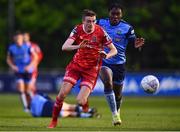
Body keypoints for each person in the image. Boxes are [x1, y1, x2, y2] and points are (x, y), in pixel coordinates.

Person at [48, 9, 117, 128]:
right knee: (62, 95)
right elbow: (64, 47)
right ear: (83, 21)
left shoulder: (100, 32)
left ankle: (85, 105)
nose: (91, 24)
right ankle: (53, 121)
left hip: (91, 70)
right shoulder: (77, 29)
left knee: (80, 101)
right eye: (89, 21)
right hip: (76, 66)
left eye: (93, 21)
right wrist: (78, 46)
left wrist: (107, 55)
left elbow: (114, 50)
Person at [97, 3, 145, 125]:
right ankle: (114, 115)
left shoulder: (127, 28)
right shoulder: (100, 23)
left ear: (121, 14)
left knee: (118, 94)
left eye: (118, 14)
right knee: (107, 82)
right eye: (113, 13)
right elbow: (90, 32)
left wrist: (136, 46)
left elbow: (134, 43)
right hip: (104, 60)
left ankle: (117, 111)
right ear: (109, 13)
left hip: (119, 64)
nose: (115, 16)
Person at [6, 31, 38, 112]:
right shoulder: (11, 48)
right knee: (21, 89)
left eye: (19, 38)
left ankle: (35, 106)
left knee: (28, 90)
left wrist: (30, 66)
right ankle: (26, 107)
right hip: (18, 71)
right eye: (16, 38)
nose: (18, 40)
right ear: (14, 39)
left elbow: (36, 57)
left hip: (28, 71)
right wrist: (13, 66)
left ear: (22, 39)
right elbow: (8, 59)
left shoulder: (28, 47)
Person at [30, 93, 100, 118]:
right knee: (68, 107)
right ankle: (89, 111)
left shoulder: (31, 111)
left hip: (42, 113)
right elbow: (48, 98)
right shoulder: (37, 95)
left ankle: (87, 116)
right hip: (46, 105)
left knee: (66, 113)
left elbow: (36, 116)